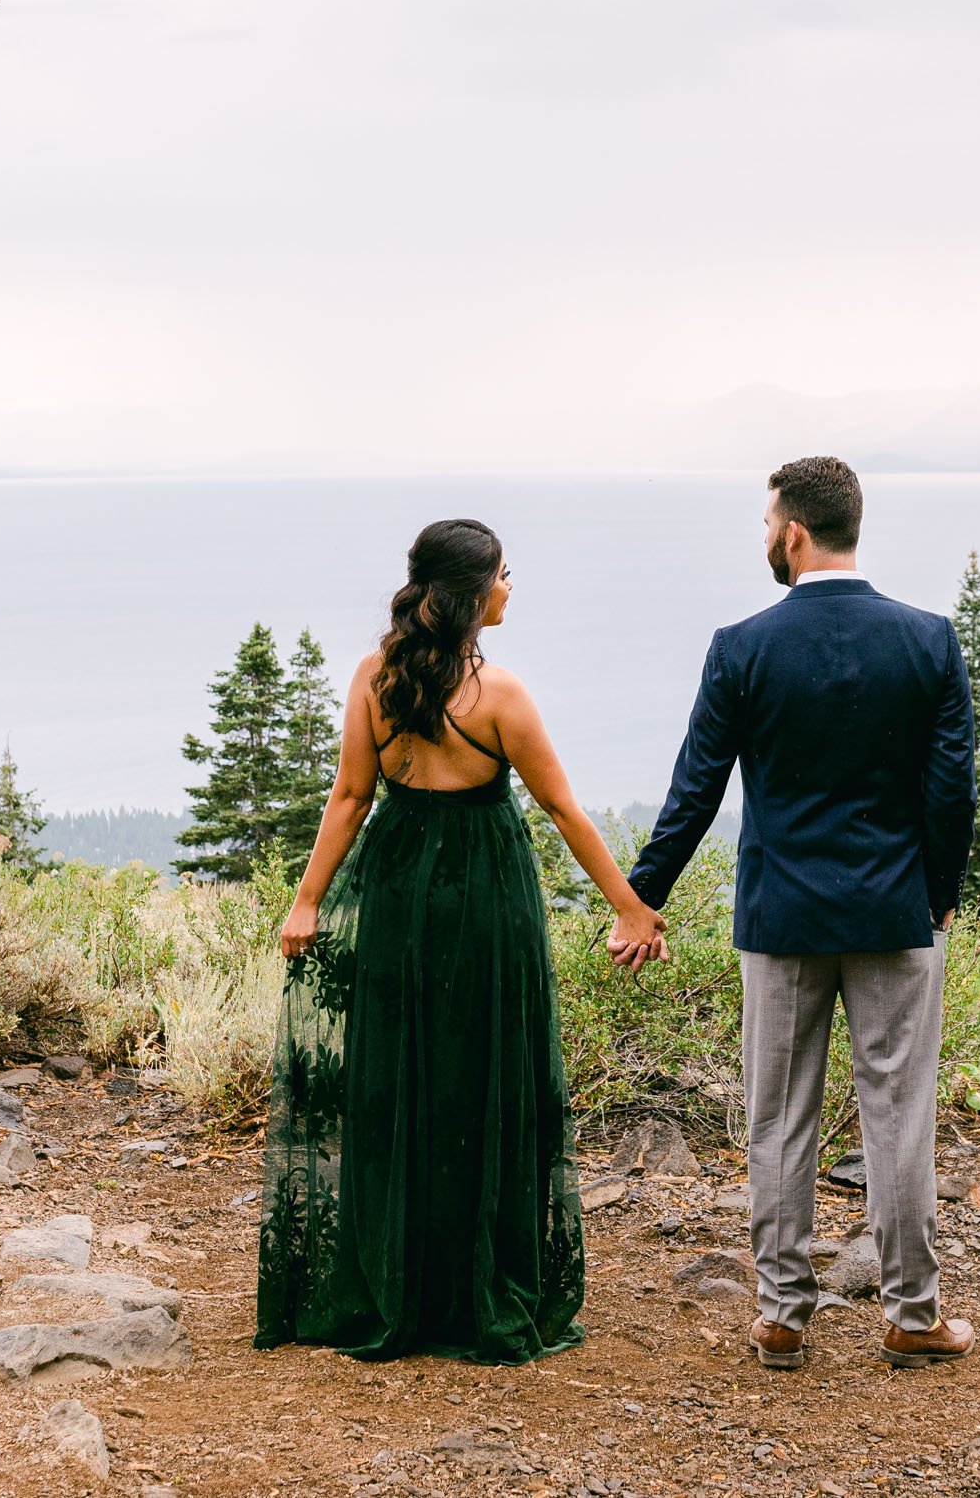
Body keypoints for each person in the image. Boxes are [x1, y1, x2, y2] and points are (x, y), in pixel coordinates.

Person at [254, 518, 666, 1365]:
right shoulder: (502, 695)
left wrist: (307, 903)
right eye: (506, 575)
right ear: (473, 594)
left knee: (396, 1074)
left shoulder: (376, 676)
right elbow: (561, 811)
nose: (513, 587)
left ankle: (393, 1282)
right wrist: (630, 907)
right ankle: (473, 1284)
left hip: (398, 889)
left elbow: (349, 798)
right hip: (484, 896)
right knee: (483, 1077)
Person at [614, 456, 979, 1371]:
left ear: (794, 533)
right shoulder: (928, 640)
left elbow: (695, 789)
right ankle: (913, 1314)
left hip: (780, 920)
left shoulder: (743, 646)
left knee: (779, 1117)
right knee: (900, 1114)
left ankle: (782, 1314)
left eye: (766, 522)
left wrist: (641, 899)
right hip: (897, 915)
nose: (764, 536)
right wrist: (936, 899)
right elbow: (952, 797)